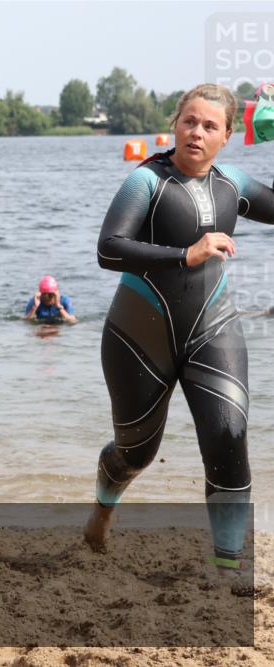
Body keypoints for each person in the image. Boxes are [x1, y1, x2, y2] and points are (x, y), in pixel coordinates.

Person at [84, 85, 274, 584]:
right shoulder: (146, 181)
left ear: (228, 136)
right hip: (137, 336)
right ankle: (103, 508)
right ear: (176, 123)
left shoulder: (233, 184)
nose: (197, 132)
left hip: (213, 327)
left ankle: (227, 566)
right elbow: (108, 249)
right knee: (136, 452)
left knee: (229, 437)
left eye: (210, 126)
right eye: (190, 121)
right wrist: (185, 254)